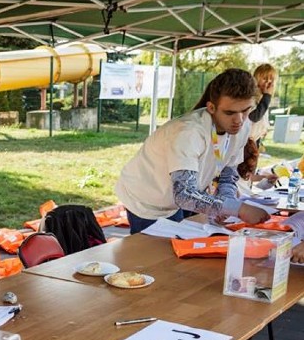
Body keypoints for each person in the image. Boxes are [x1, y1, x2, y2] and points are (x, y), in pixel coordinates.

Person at [116, 68, 270, 234]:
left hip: (174, 200)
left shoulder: (243, 126)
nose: (238, 120)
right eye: (229, 112)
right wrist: (237, 208)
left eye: (246, 110)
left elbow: (228, 172)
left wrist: (226, 204)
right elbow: (184, 194)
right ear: (211, 107)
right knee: (155, 256)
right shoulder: (188, 132)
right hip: (146, 200)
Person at [249, 63, 277, 149]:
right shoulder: (252, 96)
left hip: (255, 139)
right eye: (264, 79)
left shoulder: (263, 96)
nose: (268, 82)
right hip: (247, 140)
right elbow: (255, 117)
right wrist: (267, 96)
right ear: (256, 79)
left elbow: (263, 116)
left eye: (271, 79)